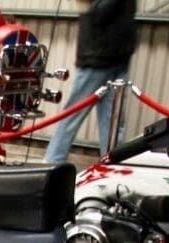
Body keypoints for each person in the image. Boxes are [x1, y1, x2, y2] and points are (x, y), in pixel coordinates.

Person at [44, 0, 137, 164]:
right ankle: (53, 160)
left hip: (119, 58)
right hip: (96, 59)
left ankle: (112, 161)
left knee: (113, 120)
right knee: (73, 113)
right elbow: (99, 13)